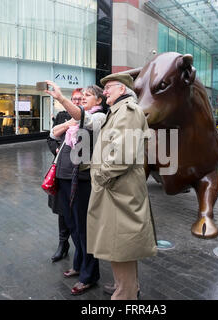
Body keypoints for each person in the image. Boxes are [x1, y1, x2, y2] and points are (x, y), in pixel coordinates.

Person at [86, 73, 157, 300]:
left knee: (120, 247)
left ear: (123, 90)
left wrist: (101, 176)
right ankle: (127, 288)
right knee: (120, 246)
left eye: (109, 88)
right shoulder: (119, 111)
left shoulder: (128, 111)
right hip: (118, 188)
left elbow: (122, 155)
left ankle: (124, 295)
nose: (104, 91)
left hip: (118, 190)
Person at [47, 82, 108, 295]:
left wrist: (62, 99)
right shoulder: (75, 120)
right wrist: (69, 123)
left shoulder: (99, 117)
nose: (82, 98)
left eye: (88, 96)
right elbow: (53, 134)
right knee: (72, 226)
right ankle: (79, 264)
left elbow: (85, 118)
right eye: (81, 96)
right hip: (64, 177)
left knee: (84, 230)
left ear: (99, 100)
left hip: (82, 180)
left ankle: (89, 275)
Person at [47, 89, 83, 263]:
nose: (76, 101)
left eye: (80, 99)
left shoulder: (88, 117)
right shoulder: (62, 115)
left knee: (78, 210)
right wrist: (56, 149)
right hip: (61, 169)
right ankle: (63, 244)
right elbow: (51, 138)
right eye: (74, 99)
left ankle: (81, 247)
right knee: (62, 210)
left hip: (79, 171)